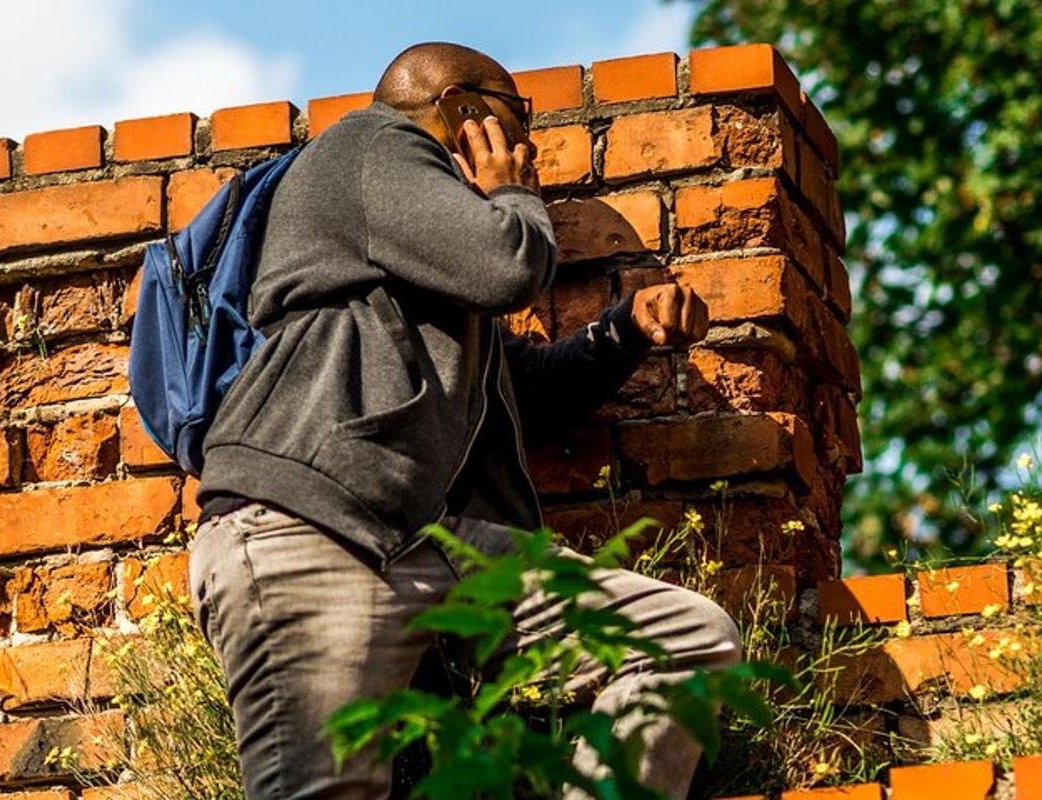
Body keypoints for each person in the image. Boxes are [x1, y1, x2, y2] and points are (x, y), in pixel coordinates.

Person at [187, 40, 741, 800]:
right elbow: (508, 266)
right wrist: (512, 196)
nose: (532, 145)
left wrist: (626, 331)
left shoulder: (419, 278)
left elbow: (524, 389)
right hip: (305, 528)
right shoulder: (370, 143)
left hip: (426, 544)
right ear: (463, 111)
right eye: (520, 119)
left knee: (686, 642)